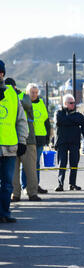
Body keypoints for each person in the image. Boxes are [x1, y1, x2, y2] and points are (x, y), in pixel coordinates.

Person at [0, 60, 29, 223]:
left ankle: (4, 213)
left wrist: (22, 141)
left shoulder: (12, 94)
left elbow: (21, 120)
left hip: (10, 146)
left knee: (7, 184)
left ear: (1, 74)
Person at [5, 78, 41, 202]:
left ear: (15, 87)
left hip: (28, 139)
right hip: (11, 139)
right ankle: (15, 194)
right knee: (13, 171)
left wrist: (11, 96)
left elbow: (26, 104)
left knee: (30, 169)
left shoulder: (24, 96)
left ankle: (32, 193)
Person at [23, 83, 50, 194]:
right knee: (26, 163)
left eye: (36, 92)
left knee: (36, 163)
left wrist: (48, 137)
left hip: (40, 138)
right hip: (28, 138)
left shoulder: (41, 103)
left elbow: (46, 121)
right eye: (32, 92)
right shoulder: (23, 103)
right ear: (27, 92)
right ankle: (25, 186)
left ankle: (35, 185)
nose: (34, 94)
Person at [55, 94, 84, 191]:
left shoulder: (77, 114)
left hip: (74, 142)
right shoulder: (59, 113)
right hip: (62, 142)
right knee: (62, 164)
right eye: (70, 103)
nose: (73, 105)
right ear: (65, 103)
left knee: (74, 164)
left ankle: (72, 184)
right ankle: (60, 184)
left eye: (73, 103)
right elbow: (59, 121)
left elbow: (81, 120)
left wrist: (69, 120)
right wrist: (72, 121)